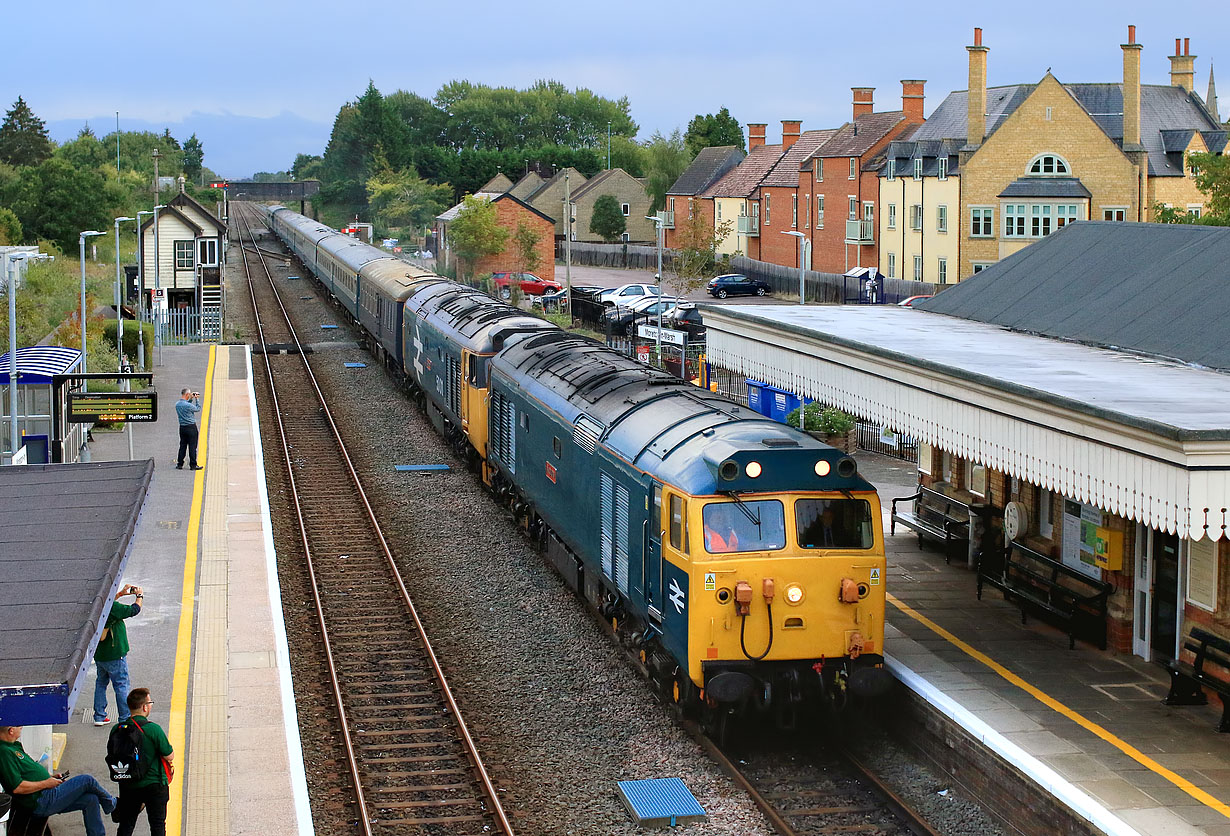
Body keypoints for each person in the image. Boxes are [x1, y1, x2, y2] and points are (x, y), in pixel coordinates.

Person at [0, 724, 116, 836]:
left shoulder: (14, 745)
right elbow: (17, 787)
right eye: (18, 725)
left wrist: (50, 778)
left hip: (44, 793)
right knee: (87, 780)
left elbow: (28, 773)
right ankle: (112, 803)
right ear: (11, 730)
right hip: (40, 800)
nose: (21, 727)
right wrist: (46, 783)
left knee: (91, 799)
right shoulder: (4, 752)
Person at [113, 688, 174, 836]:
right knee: (157, 825)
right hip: (155, 784)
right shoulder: (153, 729)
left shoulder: (118, 729)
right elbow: (169, 755)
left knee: (126, 823)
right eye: (150, 702)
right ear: (144, 707)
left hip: (128, 784)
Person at [94, 584, 143, 726]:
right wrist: (139, 596)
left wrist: (120, 594)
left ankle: (99, 716)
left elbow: (108, 602)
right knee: (121, 685)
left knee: (101, 683)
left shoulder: (97, 605)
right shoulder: (113, 609)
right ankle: (125, 717)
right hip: (115, 654)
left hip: (100, 654)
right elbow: (134, 610)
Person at [176, 387, 203, 470]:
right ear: (187, 394)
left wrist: (190, 399)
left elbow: (187, 407)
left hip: (182, 427)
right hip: (191, 427)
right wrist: (197, 399)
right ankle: (193, 465)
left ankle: (180, 463)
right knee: (192, 446)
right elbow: (197, 409)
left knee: (182, 445)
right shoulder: (188, 405)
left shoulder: (177, 404)